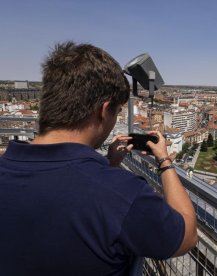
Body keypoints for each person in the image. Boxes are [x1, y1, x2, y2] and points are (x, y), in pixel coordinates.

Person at [0, 42, 197, 276]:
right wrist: (165, 161)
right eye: (116, 112)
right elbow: (187, 235)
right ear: (103, 111)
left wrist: (108, 164)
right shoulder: (123, 194)